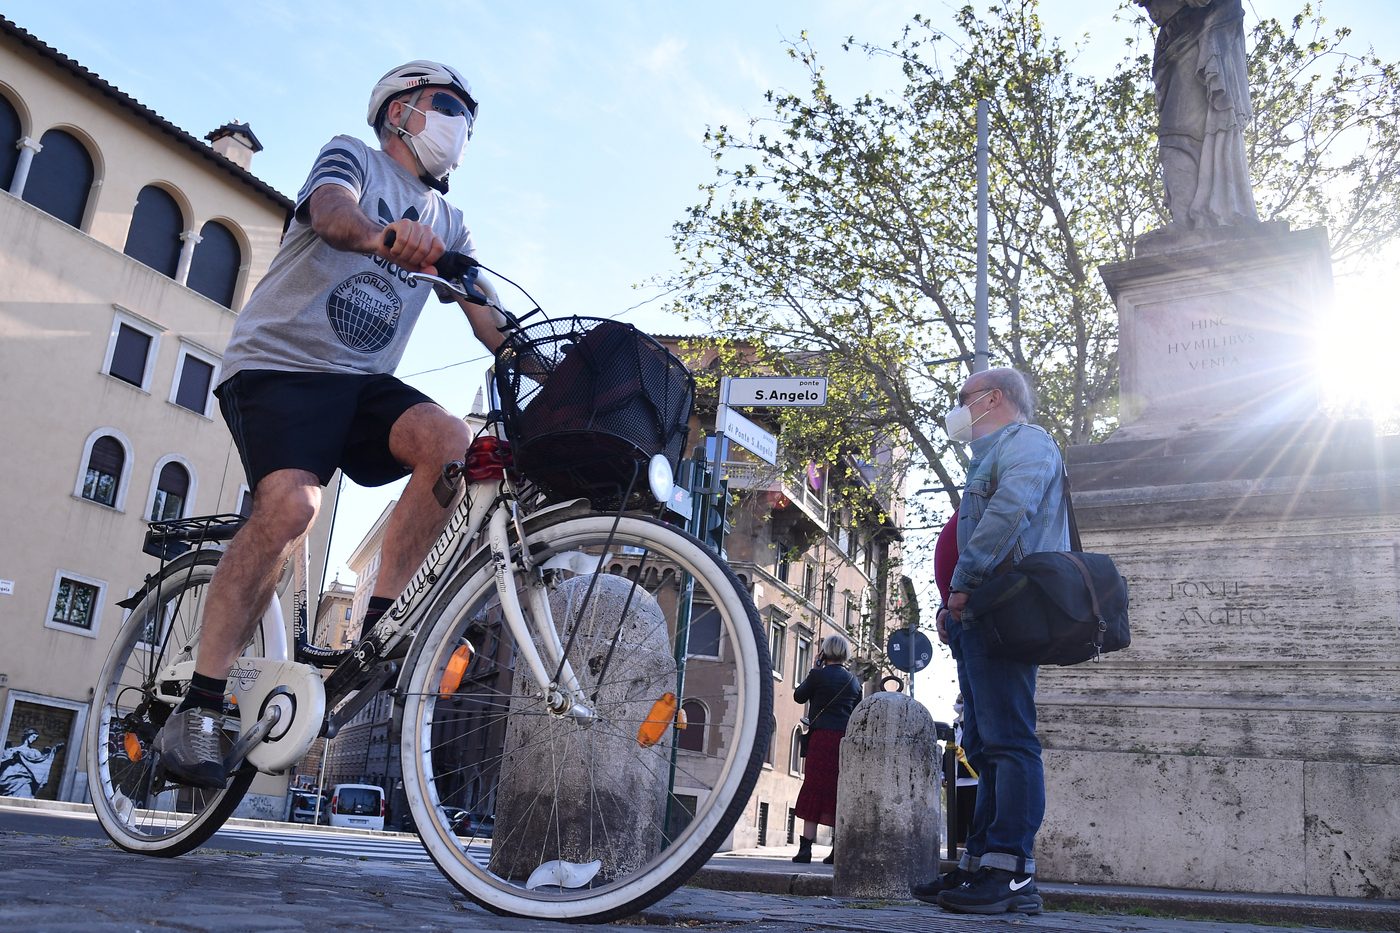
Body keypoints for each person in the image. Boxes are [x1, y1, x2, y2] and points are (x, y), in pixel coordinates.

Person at [152, 61, 509, 789]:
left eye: (467, 116)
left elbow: (485, 313)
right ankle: (200, 702)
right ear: (400, 112)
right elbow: (332, 215)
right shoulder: (354, 155)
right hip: (279, 365)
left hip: (357, 384)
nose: (458, 126)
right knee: (292, 506)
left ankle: (375, 635)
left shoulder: (450, 222)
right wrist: (386, 239)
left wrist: (542, 355)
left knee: (451, 443)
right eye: (446, 106)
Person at [927, 367, 1068, 916]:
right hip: (975, 615)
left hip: (1003, 610)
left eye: (965, 398)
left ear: (994, 398)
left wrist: (961, 585)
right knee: (985, 743)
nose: (959, 408)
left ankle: (1013, 875)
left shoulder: (1029, 443)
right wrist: (953, 606)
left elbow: (1012, 512)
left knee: (1010, 741)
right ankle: (980, 867)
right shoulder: (985, 457)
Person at [1135, 0, 1259, 230]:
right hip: (1182, 51)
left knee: (1180, 141)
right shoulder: (1168, 32)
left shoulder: (1212, 15)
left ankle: (1193, 221)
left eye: (1152, 2)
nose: (1152, 13)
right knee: (1173, 145)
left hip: (1198, 49)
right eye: (1145, 6)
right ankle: (1184, 221)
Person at [790, 633, 862, 865]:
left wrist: (814, 669)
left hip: (820, 738)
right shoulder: (853, 682)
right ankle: (836, 850)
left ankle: (805, 850)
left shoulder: (817, 676)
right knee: (838, 791)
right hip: (843, 741)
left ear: (824, 652)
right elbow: (858, 712)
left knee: (813, 788)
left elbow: (799, 696)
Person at [0, 729, 64, 798]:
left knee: (24, 796)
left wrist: (52, 752)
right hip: (10, 778)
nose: (34, 739)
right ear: (28, 735)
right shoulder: (14, 749)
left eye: (35, 738)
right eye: (33, 737)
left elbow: (42, 762)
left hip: (25, 780)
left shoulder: (35, 752)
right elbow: (3, 760)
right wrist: (12, 756)